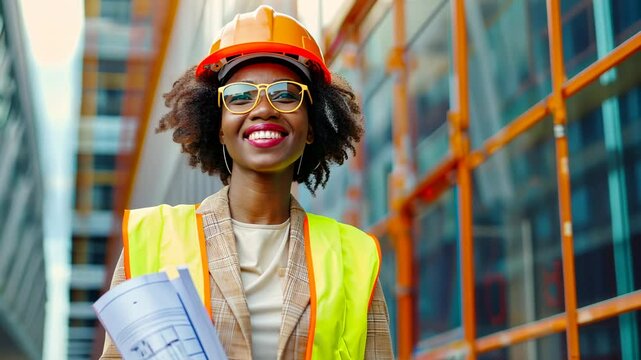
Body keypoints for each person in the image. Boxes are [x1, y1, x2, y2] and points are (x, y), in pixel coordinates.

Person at [100, 5, 393, 359]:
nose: (264, 108)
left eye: (286, 94)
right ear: (219, 128)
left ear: (312, 126)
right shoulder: (153, 237)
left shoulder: (355, 257)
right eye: (240, 96)